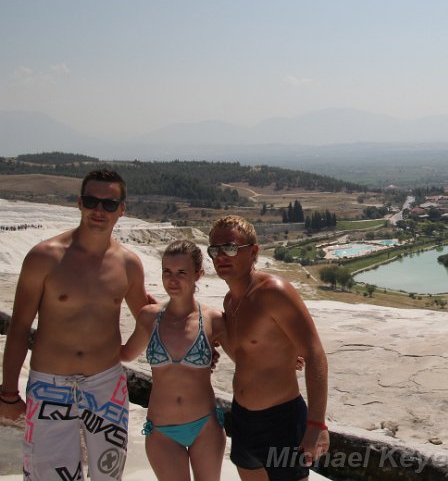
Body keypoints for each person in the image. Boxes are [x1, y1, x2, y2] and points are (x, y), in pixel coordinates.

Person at [0, 169, 148, 480]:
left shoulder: (129, 264)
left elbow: (149, 317)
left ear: (122, 209)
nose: (99, 210)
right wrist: (8, 393)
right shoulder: (44, 257)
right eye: (92, 201)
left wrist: (202, 334)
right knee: (47, 475)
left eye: (109, 204)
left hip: (106, 385)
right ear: (79, 203)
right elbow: (19, 328)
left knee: (108, 474)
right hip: (49, 386)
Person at [208, 215, 329, 481]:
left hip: (281, 421)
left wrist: (316, 424)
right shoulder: (230, 301)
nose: (220, 256)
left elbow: (315, 353)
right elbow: (246, 355)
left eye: (229, 247)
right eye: (214, 250)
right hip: (242, 419)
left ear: (253, 252)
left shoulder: (274, 292)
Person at [120, 239, 227, 481]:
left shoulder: (213, 320)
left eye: (181, 273)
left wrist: (286, 355)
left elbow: (245, 355)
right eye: (167, 272)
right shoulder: (149, 317)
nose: (173, 279)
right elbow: (125, 354)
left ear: (198, 275)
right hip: (161, 431)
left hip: (205, 427)